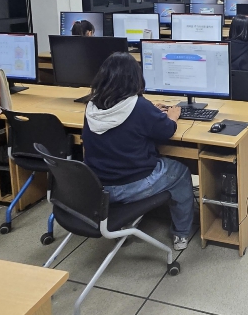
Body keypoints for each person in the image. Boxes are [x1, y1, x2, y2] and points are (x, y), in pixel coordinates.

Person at [82, 52, 193, 250]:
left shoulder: (92, 105)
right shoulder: (139, 107)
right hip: (131, 185)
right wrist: (172, 116)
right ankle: (181, 233)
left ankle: (123, 221)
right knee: (181, 172)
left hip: (97, 186)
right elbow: (166, 130)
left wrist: (149, 108)